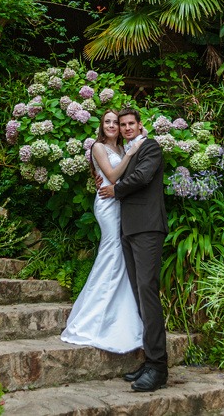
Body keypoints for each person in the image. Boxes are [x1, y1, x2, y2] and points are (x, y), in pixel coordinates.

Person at [60, 110, 145, 353]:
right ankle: (93, 318)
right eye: (107, 122)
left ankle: (118, 315)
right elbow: (111, 175)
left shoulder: (122, 147)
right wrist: (130, 154)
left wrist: (130, 149)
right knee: (112, 252)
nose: (111, 126)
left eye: (115, 123)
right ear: (101, 126)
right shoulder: (99, 147)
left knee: (121, 255)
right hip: (108, 205)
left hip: (122, 203)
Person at [98, 107, 168, 392]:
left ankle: (159, 368)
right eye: (122, 124)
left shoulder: (150, 147)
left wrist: (115, 189)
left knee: (147, 292)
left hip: (148, 228)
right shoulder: (130, 151)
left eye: (130, 124)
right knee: (140, 294)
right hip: (129, 229)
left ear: (141, 126)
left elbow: (142, 178)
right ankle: (150, 361)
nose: (126, 128)